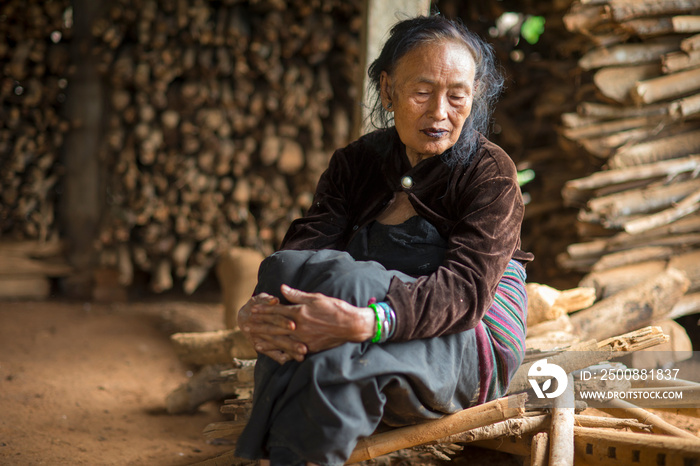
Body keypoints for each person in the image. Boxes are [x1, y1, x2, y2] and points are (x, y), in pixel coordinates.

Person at [234, 14, 533, 466]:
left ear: (475, 97)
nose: (439, 113)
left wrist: (365, 323)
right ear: (389, 90)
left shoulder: (490, 174)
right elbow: (301, 253)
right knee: (283, 273)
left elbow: (466, 292)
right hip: (361, 316)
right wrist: (260, 307)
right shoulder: (357, 163)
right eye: (421, 92)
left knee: (344, 301)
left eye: (457, 97)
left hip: (467, 336)